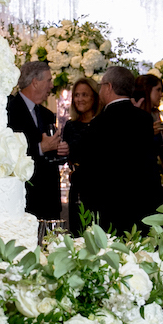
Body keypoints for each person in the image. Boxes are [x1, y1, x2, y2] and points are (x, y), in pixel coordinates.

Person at [75, 65, 161, 234]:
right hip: (141, 206)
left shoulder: (98, 124)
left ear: (109, 87)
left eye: (101, 86)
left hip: (109, 211)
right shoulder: (144, 119)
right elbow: (150, 166)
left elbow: (89, 173)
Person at [7, 61, 64, 221]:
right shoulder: (10, 111)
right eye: (49, 80)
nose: (51, 86)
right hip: (26, 197)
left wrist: (60, 150)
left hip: (49, 198)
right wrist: (40, 147)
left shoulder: (47, 115)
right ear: (35, 82)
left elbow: (51, 154)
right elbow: (9, 150)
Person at [57, 76, 99, 233]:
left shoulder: (101, 123)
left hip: (99, 186)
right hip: (78, 186)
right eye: (76, 95)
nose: (80, 99)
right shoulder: (70, 125)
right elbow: (66, 157)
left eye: (85, 95)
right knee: (78, 230)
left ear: (94, 97)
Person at [132, 72, 163, 197]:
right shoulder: (135, 115)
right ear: (147, 90)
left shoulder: (156, 114)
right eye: (158, 90)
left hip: (154, 172)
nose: (161, 95)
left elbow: (161, 147)